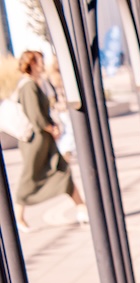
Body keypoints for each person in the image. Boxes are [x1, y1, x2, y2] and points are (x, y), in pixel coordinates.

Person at [13, 50, 87, 231]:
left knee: (62, 170)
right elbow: (36, 116)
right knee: (29, 178)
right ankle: (18, 217)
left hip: (44, 141)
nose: (43, 64)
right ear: (31, 64)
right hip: (35, 143)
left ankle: (82, 208)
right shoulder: (28, 86)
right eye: (39, 61)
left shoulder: (35, 84)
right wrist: (51, 128)